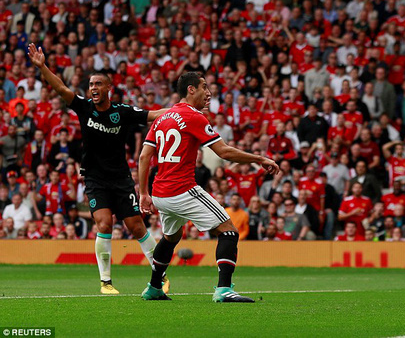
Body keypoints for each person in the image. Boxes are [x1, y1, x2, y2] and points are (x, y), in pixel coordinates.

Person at [28, 43, 169, 295]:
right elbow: (61, 88)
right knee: (104, 224)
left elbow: (153, 115)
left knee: (136, 226)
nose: (93, 87)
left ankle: (159, 275)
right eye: (91, 84)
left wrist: (183, 111)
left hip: (121, 178)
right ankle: (106, 282)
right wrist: (42, 67)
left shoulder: (122, 111)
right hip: (95, 178)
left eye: (98, 84)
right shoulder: (84, 107)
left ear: (108, 88)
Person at [138, 72, 279, 302]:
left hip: (160, 192)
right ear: (191, 89)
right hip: (181, 189)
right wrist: (259, 159)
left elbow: (144, 156)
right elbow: (223, 151)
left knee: (171, 237)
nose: (209, 93)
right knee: (229, 231)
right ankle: (224, 289)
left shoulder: (163, 117)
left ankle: (154, 287)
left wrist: (144, 193)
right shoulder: (194, 116)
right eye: (204, 87)